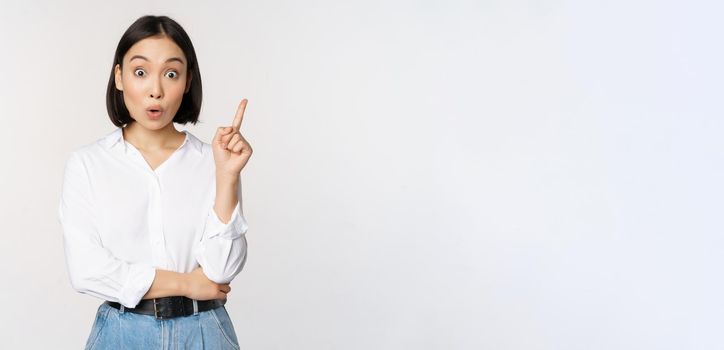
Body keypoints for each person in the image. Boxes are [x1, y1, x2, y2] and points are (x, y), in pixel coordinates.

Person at [57, 15, 253, 349]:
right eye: (140, 72)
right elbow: (87, 270)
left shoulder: (213, 161)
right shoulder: (88, 164)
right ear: (119, 77)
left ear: (188, 81)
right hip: (121, 333)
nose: (156, 90)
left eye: (171, 73)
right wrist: (188, 284)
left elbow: (221, 271)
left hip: (204, 332)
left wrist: (227, 176)